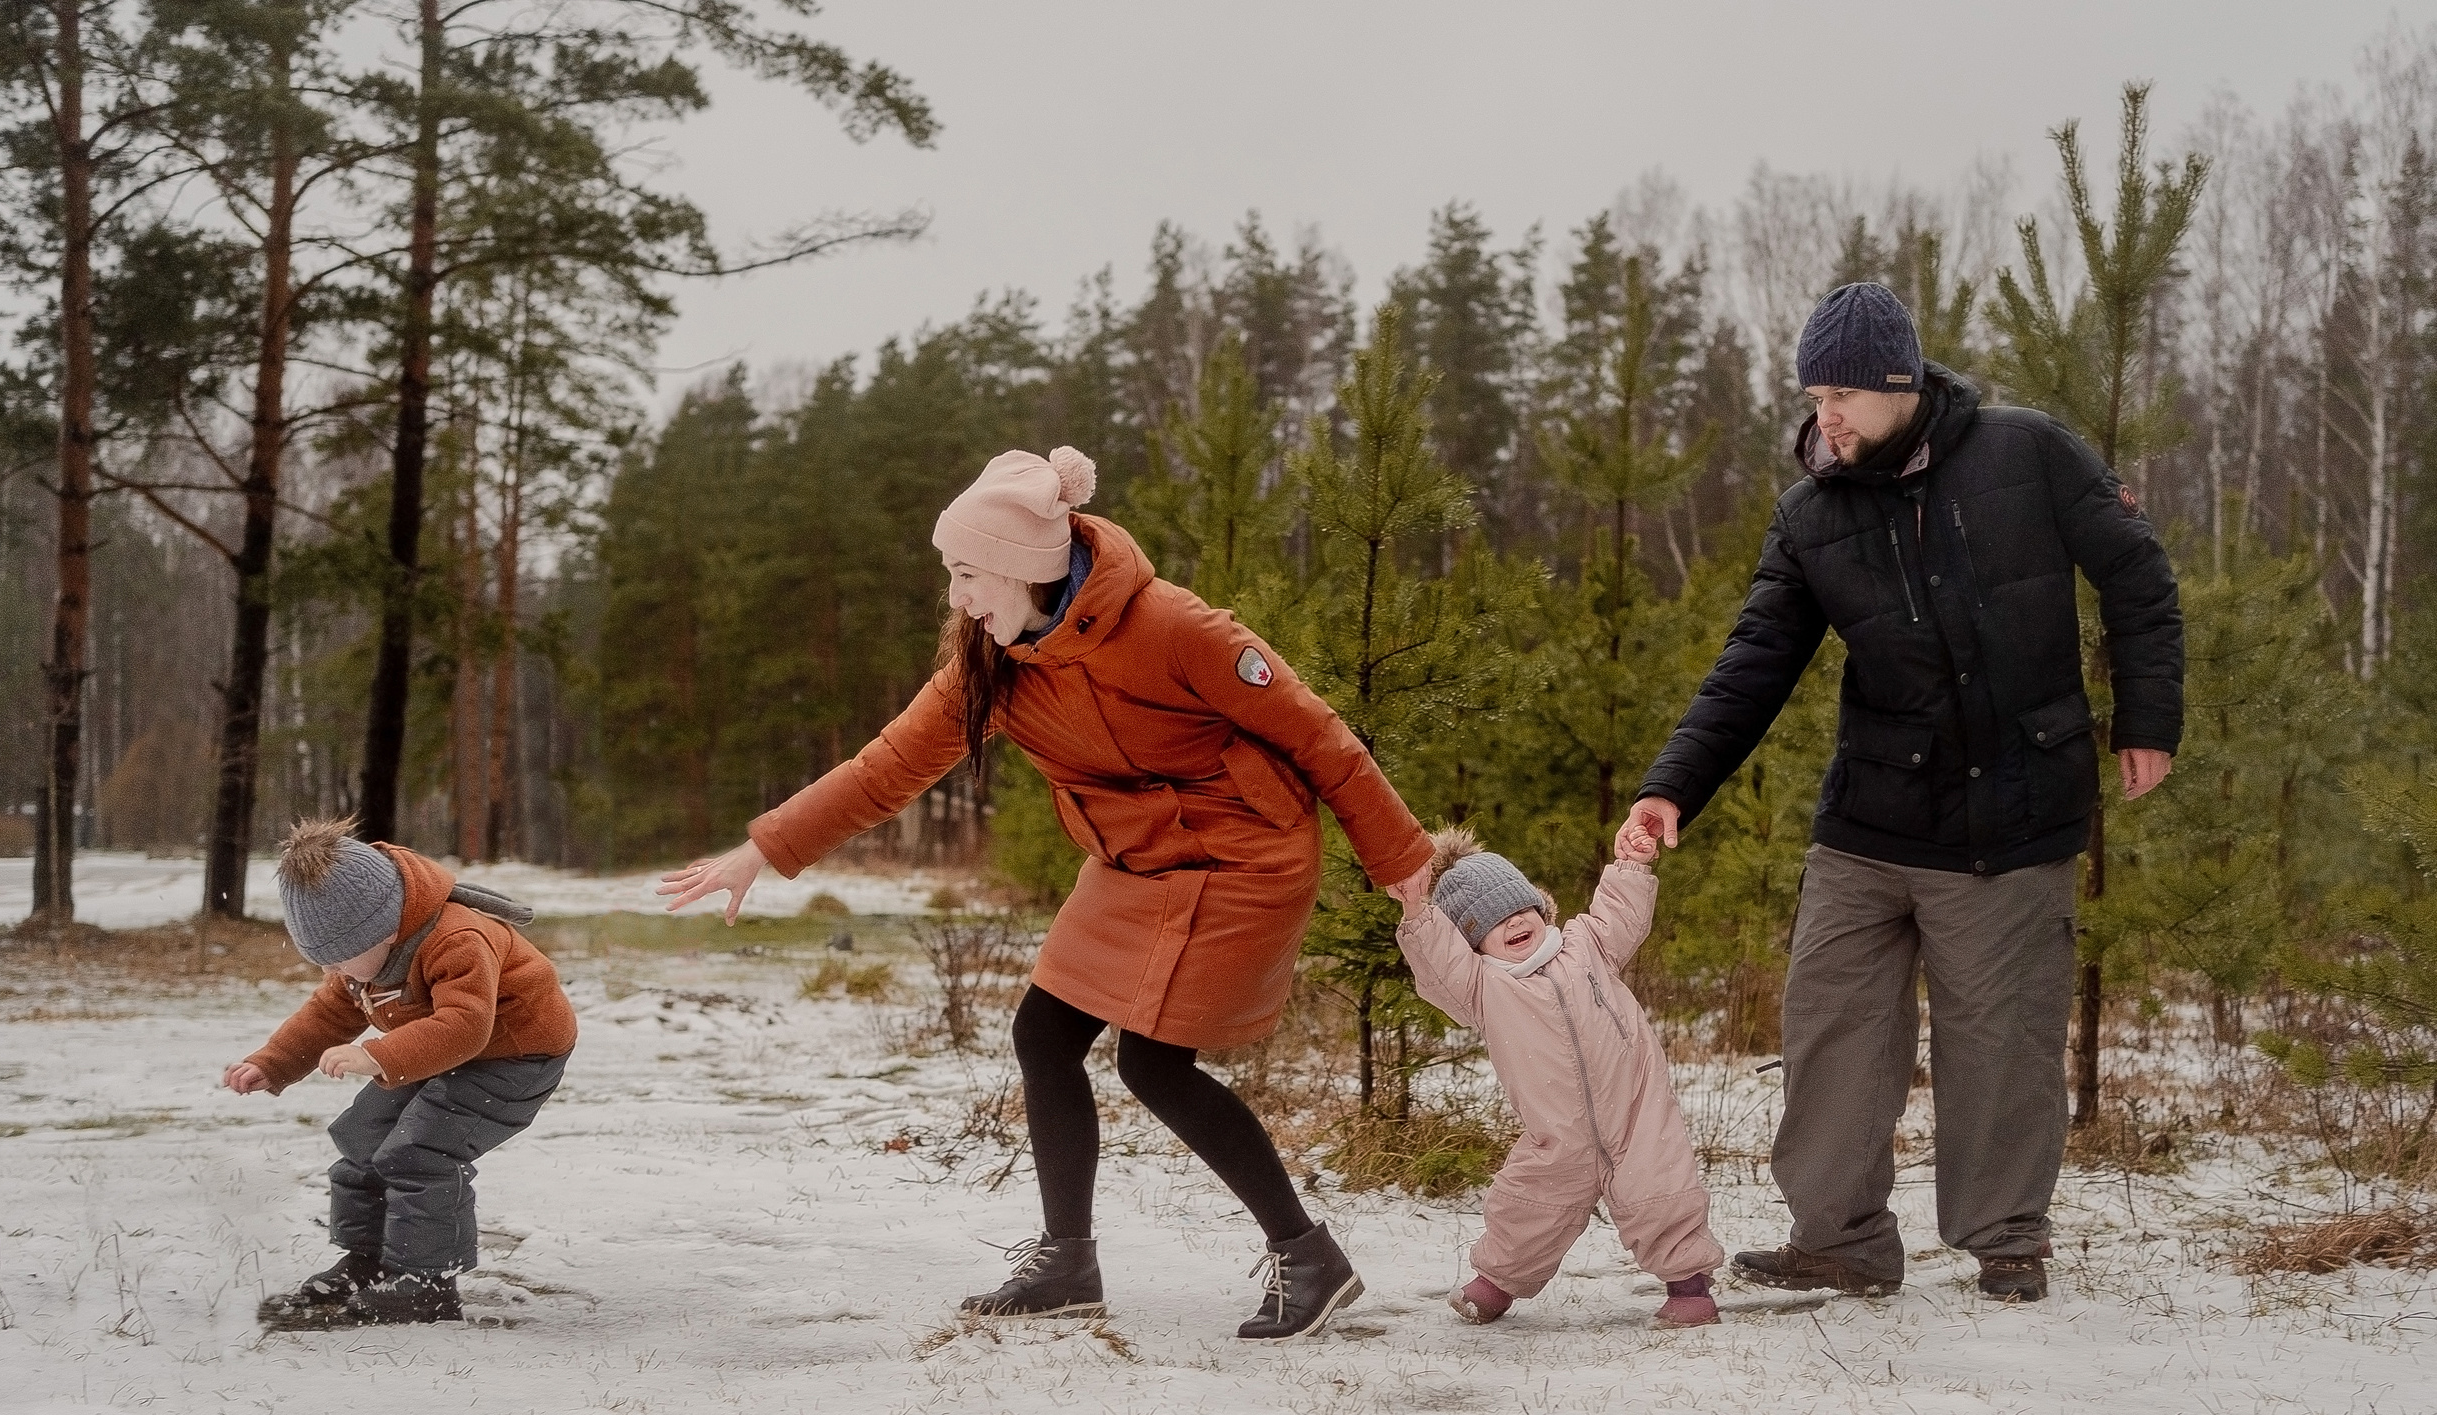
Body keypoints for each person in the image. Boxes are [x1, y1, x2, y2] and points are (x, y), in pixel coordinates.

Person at [661, 447, 1432, 1340]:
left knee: (1152, 1063)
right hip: (1133, 858)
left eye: (967, 574)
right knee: (1044, 1031)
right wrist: (764, 849)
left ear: (1025, 568)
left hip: (1240, 853)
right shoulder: (993, 663)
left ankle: (1309, 1257)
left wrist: (1403, 864)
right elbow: (888, 766)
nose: (958, 598)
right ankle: (1067, 1261)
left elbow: (1322, 740)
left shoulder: (1178, 629)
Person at [1617, 282, 2183, 1304]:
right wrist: (1672, 787)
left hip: (2014, 811)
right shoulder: (1810, 515)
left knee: (2000, 1036)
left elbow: (2138, 576)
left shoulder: (2029, 454)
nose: (1823, 414)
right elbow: (1752, 662)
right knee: (1831, 1026)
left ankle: (2005, 1235)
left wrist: (2147, 718)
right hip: (1871, 819)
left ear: (1903, 383)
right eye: (1811, 391)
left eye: (1843, 392)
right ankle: (1839, 1239)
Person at [222, 817, 577, 1329]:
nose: (335, 972)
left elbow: (464, 1026)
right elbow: (328, 1013)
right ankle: (369, 1262)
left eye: (342, 959)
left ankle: (426, 1284)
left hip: (515, 1057)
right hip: (434, 1050)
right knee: (363, 1137)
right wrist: (271, 1062)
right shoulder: (363, 957)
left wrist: (378, 1056)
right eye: (324, 961)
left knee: (419, 1150)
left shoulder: (459, 939)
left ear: (385, 929)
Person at [1393, 827, 1722, 1330]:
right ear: (1473, 942)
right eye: (1493, 921)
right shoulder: (1480, 986)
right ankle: (1497, 1282)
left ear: (1541, 909)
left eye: (1520, 909)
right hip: (1557, 1130)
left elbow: (1621, 916)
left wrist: (1631, 867)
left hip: (1635, 1107)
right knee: (1529, 1204)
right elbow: (1438, 966)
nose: (1515, 922)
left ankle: (1689, 1288)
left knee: (1663, 1190)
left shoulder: (1585, 945)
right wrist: (1417, 911)